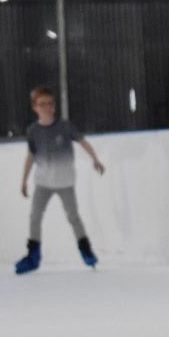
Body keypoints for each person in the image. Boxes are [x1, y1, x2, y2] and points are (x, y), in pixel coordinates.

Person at [15, 86, 105, 274]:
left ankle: (86, 251)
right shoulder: (33, 131)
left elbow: (82, 141)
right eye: (42, 104)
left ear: (54, 106)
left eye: (49, 104)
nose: (47, 107)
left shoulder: (64, 127)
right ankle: (33, 256)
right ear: (35, 107)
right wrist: (24, 180)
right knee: (35, 216)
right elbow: (31, 155)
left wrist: (95, 159)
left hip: (65, 182)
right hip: (43, 182)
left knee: (73, 216)